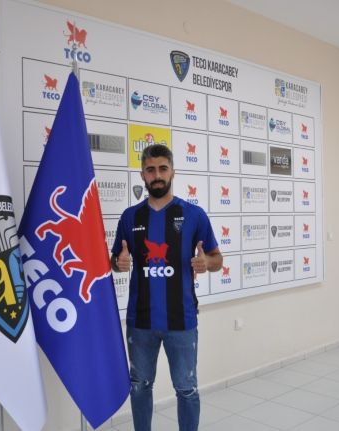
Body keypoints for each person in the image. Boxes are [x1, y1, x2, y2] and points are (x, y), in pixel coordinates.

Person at [111, 144, 222, 431]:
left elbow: (217, 259)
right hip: (140, 322)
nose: (157, 175)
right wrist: (118, 263)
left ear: (173, 172)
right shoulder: (129, 217)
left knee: (186, 389)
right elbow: (115, 260)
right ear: (142, 175)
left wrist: (206, 263)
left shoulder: (194, 214)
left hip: (181, 321)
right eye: (150, 170)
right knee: (139, 386)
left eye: (163, 169)